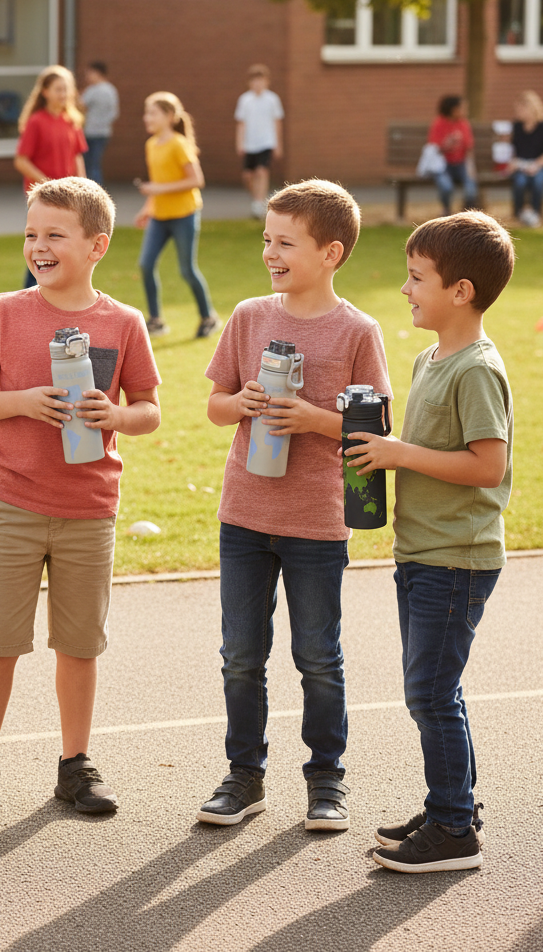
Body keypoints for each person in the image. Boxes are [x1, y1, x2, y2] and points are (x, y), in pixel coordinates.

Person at [0, 176, 161, 820]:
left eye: (54, 235)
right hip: (12, 501)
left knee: (78, 644)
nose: (38, 246)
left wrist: (116, 417)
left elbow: (150, 409)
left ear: (96, 245)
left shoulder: (122, 322)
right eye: (31, 234)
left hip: (89, 509)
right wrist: (22, 402)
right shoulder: (5, 311)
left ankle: (75, 765)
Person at [197, 179, 391, 832]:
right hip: (244, 516)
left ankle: (326, 780)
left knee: (317, 657)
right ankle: (243, 776)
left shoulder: (358, 331)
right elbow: (215, 404)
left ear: (330, 253)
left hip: (316, 522)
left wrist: (311, 418)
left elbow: (373, 432)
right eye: (266, 240)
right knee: (241, 655)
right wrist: (242, 405)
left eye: (285, 242)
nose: (269, 252)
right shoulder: (251, 316)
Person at [345, 211, 514, 873]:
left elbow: (486, 465)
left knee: (430, 692)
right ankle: (455, 804)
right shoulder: (430, 357)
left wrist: (399, 453)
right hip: (422, 551)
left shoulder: (476, 369)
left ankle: (453, 833)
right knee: (439, 688)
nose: (407, 288)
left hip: (457, 556)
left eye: (418, 278)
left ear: (461, 292)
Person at [134, 91, 220, 338]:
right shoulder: (151, 145)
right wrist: (147, 209)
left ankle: (208, 317)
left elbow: (196, 180)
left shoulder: (179, 144)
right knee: (146, 264)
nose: (146, 117)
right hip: (159, 217)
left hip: (184, 215)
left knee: (186, 270)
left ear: (169, 117)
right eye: (146, 112)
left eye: (152, 113)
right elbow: (158, 182)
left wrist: (157, 189)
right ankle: (156, 321)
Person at [14, 65, 87, 288]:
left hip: (68, 199)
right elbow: (21, 161)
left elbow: (77, 157)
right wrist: (47, 184)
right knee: (42, 249)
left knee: (66, 250)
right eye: (58, 89)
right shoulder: (36, 122)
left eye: (66, 89)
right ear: (45, 91)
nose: (63, 94)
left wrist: (84, 187)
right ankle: (29, 297)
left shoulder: (71, 121)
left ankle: (60, 294)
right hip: (44, 199)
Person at [234, 65, 285, 219]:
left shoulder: (272, 99)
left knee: (262, 171)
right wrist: (239, 143)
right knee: (248, 175)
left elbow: (277, 122)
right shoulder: (245, 100)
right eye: (254, 81)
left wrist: (278, 144)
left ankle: (258, 203)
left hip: (266, 142)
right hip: (250, 143)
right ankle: (257, 198)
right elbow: (241, 123)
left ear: (266, 82)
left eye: (260, 81)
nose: (258, 84)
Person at [507, 90, 543, 227]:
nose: (518, 112)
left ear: (531, 108)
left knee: (538, 182)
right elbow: (513, 149)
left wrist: (536, 166)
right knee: (520, 182)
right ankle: (519, 213)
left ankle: (535, 214)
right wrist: (513, 162)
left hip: (539, 165)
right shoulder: (517, 126)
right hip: (521, 165)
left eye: (521, 109)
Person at [427, 96, 478, 215]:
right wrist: (446, 145)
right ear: (453, 109)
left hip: (461, 163)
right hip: (443, 164)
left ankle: (468, 215)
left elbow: (469, 148)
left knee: (470, 188)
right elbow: (433, 148)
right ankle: (446, 210)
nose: (466, 111)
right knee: (446, 187)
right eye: (463, 108)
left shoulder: (463, 124)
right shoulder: (439, 124)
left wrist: (471, 168)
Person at [80, 61, 119, 186]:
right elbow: (114, 113)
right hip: (104, 132)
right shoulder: (111, 90)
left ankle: (91, 191)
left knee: (89, 165)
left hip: (90, 132)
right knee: (95, 163)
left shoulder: (92, 90)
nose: (87, 76)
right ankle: (97, 191)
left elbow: (80, 107)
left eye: (90, 73)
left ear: (98, 73)